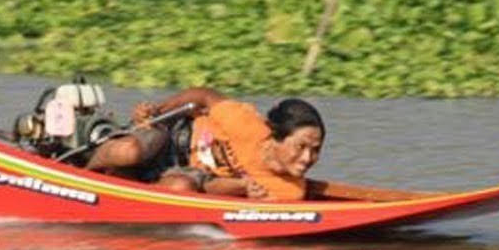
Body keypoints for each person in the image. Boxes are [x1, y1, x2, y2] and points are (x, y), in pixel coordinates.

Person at [85, 87, 325, 200]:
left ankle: (127, 184)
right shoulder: (247, 123)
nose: (307, 159)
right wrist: (158, 111)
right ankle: (83, 173)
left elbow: (208, 189)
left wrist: (241, 188)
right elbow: (202, 96)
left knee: (182, 188)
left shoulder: (290, 190)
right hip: (172, 135)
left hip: (193, 173)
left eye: (316, 150)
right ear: (276, 137)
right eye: (301, 147)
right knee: (129, 151)